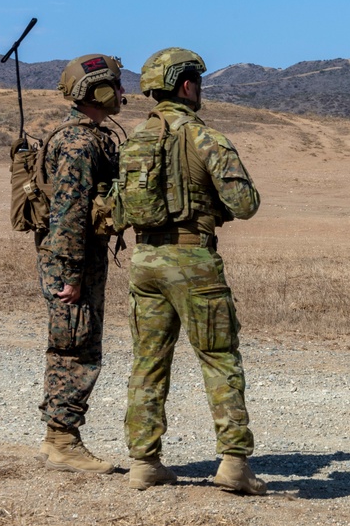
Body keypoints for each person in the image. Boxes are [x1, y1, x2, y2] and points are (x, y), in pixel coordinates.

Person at [124, 47, 265, 493]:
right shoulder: (207, 139)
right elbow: (245, 205)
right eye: (198, 83)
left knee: (148, 361)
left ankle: (144, 462)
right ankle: (234, 464)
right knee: (219, 358)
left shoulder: (135, 140)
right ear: (187, 86)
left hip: (145, 261)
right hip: (193, 261)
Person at [36, 54, 125, 474]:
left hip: (73, 259)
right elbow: (70, 213)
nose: (123, 94)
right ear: (99, 92)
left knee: (71, 344)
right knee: (76, 347)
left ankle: (59, 435)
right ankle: (62, 440)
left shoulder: (87, 136)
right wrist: (70, 275)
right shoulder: (80, 143)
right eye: (117, 86)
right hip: (72, 262)